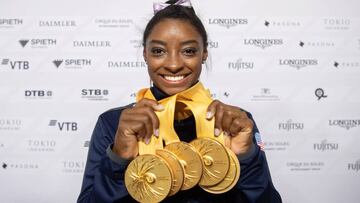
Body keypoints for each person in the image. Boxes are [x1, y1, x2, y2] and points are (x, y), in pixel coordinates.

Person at [77, 0, 282, 202]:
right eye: (159, 51)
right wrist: (119, 158)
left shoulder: (235, 123)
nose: (174, 65)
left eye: (188, 51)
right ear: (145, 54)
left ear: (204, 54)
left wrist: (246, 157)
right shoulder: (113, 123)